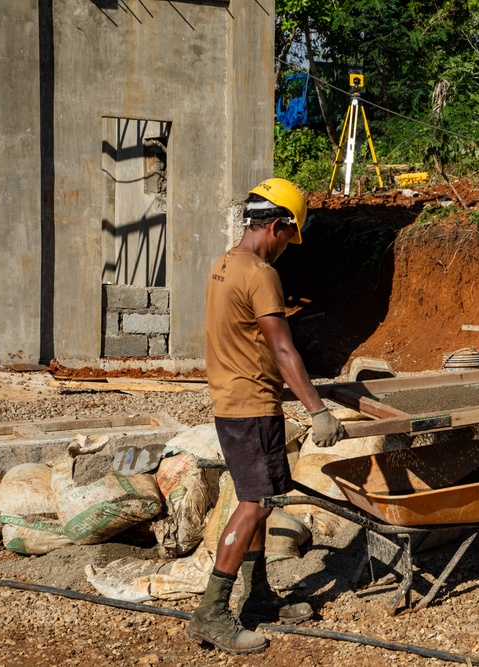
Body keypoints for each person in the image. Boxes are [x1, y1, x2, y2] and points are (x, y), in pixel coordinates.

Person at [188, 177, 344, 654]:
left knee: (257, 500)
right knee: (254, 504)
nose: (283, 250)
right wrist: (317, 410)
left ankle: (257, 598)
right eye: (286, 239)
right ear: (276, 225)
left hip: (231, 403)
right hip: (252, 407)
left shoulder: (223, 264)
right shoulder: (260, 273)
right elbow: (282, 347)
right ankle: (211, 612)